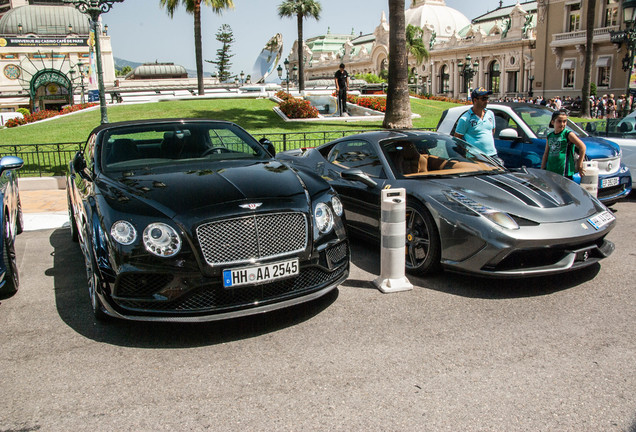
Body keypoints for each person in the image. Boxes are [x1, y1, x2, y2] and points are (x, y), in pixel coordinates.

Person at [454, 87, 500, 163]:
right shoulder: (465, 119)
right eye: (483, 99)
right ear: (475, 100)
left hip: (492, 155)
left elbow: (491, 132)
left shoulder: (490, 114)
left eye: (487, 98)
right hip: (476, 157)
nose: (486, 101)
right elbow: (457, 140)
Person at [541, 109, 586, 179]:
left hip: (564, 172)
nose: (562, 124)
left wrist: (579, 164)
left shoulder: (568, 134)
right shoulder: (550, 136)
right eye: (559, 121)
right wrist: (542, 168)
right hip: (551, 171)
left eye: (564, 121)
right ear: (553, 122)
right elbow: (546, 153)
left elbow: (582, 147)